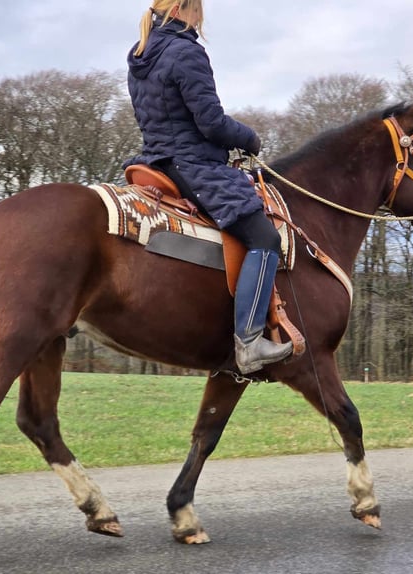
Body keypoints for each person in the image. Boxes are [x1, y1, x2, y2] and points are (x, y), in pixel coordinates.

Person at [123, 0, 293, 374]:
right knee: (265, 240)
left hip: (155, 161)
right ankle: (248, 342)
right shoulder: (186, 52)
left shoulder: (140, 54)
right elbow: (212, 123)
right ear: (184, 8)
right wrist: (249, 138)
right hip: (193, 165)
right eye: (199, 10)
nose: (202, 19)